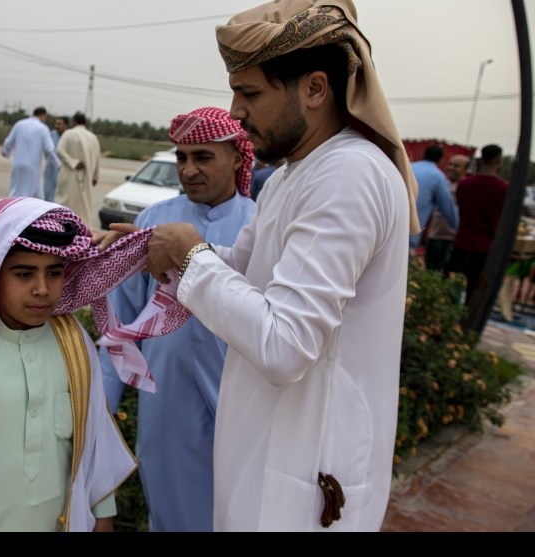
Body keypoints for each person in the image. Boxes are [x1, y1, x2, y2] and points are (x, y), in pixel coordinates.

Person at [110, 0, 420, 531]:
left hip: (307, 481)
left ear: (315, 89)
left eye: (250, 93)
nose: (235, 112)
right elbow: (242, 273)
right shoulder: (299, 174)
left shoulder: (348, 175)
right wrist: (151, 250)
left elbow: (283, 343)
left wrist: (190, 255)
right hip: (272, 457)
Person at [0, 196, 197, 532]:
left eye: (54, 273)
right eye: (24, 274)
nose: (42, 289)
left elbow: (94, 443)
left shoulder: (73, 342)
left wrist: (103, 516)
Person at [100, 107, 256, 532]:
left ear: (238, 158)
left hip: (239, 395)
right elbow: (121, 316)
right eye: (182, 157)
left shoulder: (258, 226)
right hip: (168, 397)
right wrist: (104, 402)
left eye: (203, 157)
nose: (188, 170)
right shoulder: (154, 220)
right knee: (170, 507)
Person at [444, 144, 509, 305]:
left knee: (449, 286)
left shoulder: (465, 185)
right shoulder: (503, 189)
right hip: (484, 247)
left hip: (462, 241)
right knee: (474, 293)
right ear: (498, 161)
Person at [409, 144, 458, 255]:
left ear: (424, 155)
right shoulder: (438, 177)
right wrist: (457, 228)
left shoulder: (409, 167)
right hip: (409, 237)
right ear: (440, 160)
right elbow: (447, 207)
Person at [2, 107, 61, 199]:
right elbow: (49, 149)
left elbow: (8, 142)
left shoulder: (19, 124)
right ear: (43, 115)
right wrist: (58, 164)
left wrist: (5, 152)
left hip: (17, 165)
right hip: (32, 167)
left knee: (15, 192)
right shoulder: (42, 128)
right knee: (34, 196)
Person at [55, 112, 101, 227]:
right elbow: (97, 158)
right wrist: (95, 176)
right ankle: (82, 229)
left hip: (70, 175)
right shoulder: (93, 137)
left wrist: (73, 163)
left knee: (67, 203)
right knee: (84, 205)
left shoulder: (68, 134)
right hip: (87, 177)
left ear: (74, 122)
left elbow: (59, 150)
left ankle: (63, 226)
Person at [425, 154, 470, 270]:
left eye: (456, 166)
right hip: (433, 235)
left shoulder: (464, 188)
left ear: (465, 170)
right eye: (450, 164)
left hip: (449, 239)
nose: (451, 168)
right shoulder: (442, 184)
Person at [43, 116, 68, 203]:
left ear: (65, 125)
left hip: (63, 170)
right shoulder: (51, 135)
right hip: (50, 169)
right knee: (48, 193)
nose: (56, 126)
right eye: (56, 123)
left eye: (59, 124)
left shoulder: (68, 136)